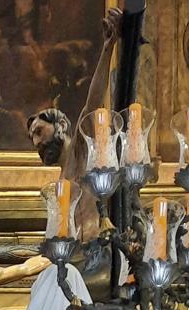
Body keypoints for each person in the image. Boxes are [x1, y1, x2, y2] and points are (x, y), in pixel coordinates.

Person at [27, 7, 122, 242]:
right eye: (33, 139)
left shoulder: (81, 149)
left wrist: (108, 47)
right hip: (75, 260)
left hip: (99, 248)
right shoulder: (59, 185)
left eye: (39, 132)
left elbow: (93, 102)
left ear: (60, 124)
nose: (37, 142)